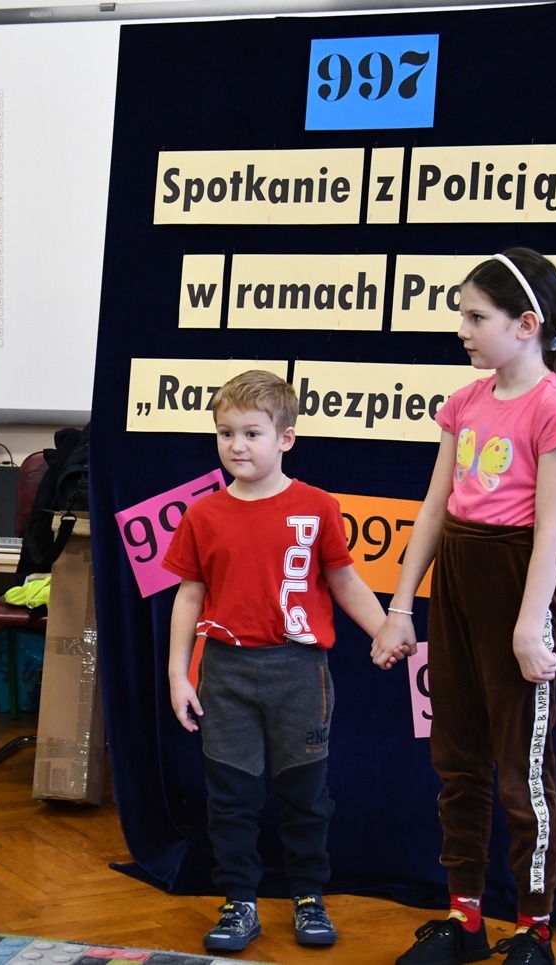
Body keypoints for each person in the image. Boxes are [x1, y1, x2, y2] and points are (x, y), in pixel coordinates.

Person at [371, 248, 556, 965]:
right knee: (457, 758)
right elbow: (434, 507)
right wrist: (400, 606)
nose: (462, 330)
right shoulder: (465, 403)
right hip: (457, 583)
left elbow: (551, 529)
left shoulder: (555, 406)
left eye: (476, 317)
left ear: (527, 324)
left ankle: (534, 927)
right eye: (462, 316)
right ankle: (464, 916)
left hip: (516, 584)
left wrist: (531, 624)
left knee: (521, 769)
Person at [162, 369, 388, 954]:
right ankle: (239, 901)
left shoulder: (317, 506)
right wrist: (178, 674)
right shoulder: (203, 514)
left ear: (286, 438)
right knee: (230, 798)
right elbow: (188, 596)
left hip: (299, 673)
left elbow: (343, 580)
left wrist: (387, 630)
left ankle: (308, 895)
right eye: (225, 433)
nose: (237, 445)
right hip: (226, 674)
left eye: (252, 433)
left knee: (305, 796)